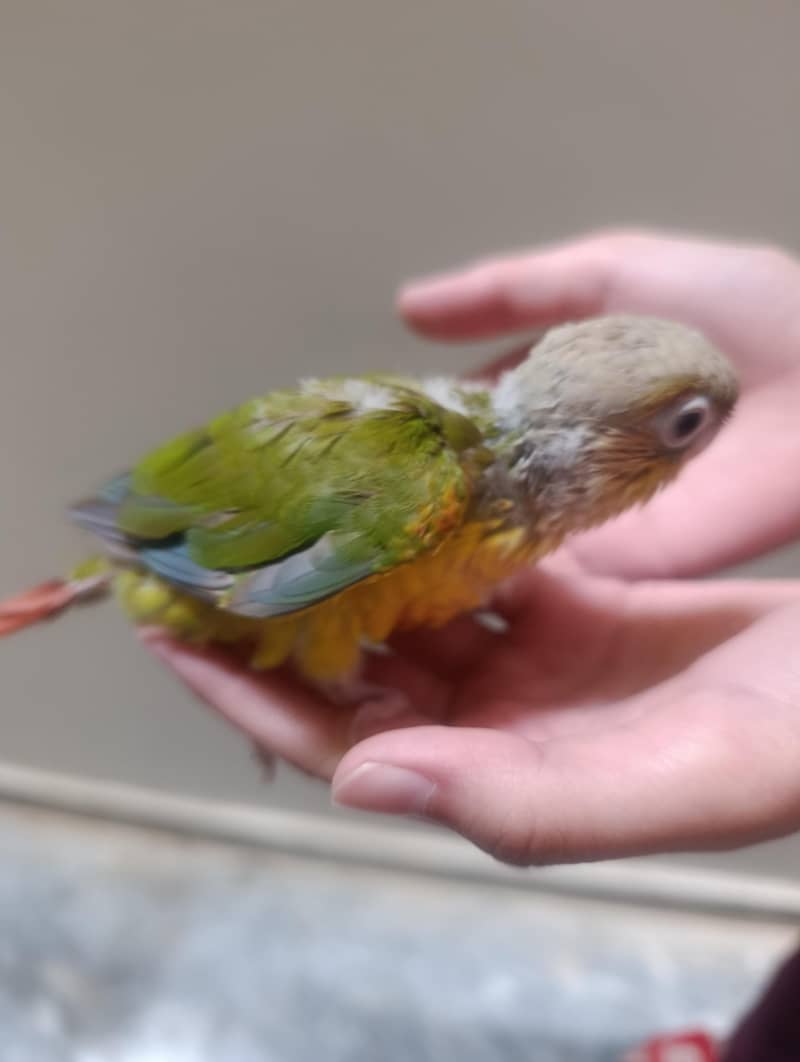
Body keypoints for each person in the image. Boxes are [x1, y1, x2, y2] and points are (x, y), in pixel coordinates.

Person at [142, 230, 800, 1061]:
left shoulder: (510, 527)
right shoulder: (410, 496)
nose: (706, 444)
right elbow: (208, 556)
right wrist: (339, 681)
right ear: (582, 445)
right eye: (686, 426)